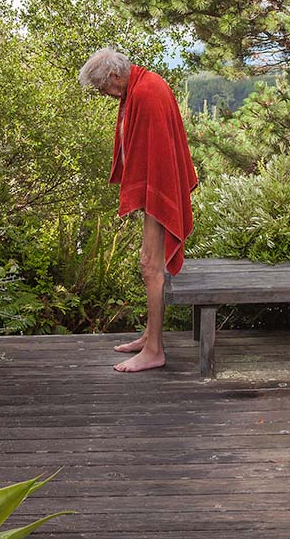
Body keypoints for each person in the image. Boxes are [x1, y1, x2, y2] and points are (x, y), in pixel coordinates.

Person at [78, 48, 198, 373]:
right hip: (156, 192)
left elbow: (156, 159)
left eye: (104, 87)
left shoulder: (146, 93)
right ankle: (150, 336)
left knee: (150, 266)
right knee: (150, 265)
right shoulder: (143, 85)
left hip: (159, 194)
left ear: (115, 76)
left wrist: (153, 202)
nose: (105, 94)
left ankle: (155, 350)